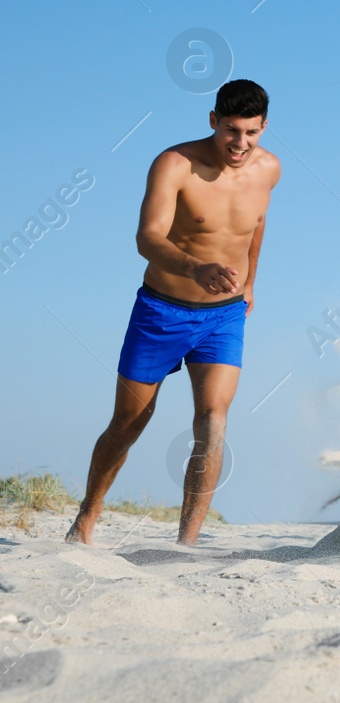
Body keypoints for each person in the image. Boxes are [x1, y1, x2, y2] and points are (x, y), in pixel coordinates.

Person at [66, 81, 281, 546]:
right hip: (161, 311)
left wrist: (250, 285)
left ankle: (186, 543)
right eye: (230, 130)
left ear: (264, 128)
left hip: (222, 317)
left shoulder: (269, 170)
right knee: (128, 423)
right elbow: (147, 237)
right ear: (213, 121)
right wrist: (195, 267)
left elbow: (256, 226)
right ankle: (88, 513)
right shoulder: (175, 164)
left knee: (213, 421)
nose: (239, 144)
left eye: (250, 132)